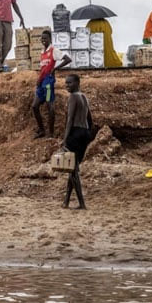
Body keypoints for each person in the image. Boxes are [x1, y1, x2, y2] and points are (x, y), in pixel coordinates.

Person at [32, 30, 72, 139]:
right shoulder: (42, 52)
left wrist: (55, 68)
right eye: (42, 38)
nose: (43, 40)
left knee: (50, 106)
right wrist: (39, 79)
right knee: (35, 106)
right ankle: (41, 130)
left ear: (50, 39)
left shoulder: (54, 50)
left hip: (48, 82)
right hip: (41, 81)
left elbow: (68, 59)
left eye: (45, 38)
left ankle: (51, 134)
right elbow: (43, 68)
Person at [61, 74, 92, 210]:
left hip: (75, 133)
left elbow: (70, 119)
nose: (67, 85)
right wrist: (89, 135)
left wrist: (65, 139)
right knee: (72, 169)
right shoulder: (84, 97)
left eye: (69, 83)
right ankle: (66, 202)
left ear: (77, 83)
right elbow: (90, 119)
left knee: (73, 170)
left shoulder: (73, 97)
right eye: (66, 83)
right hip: (84, 133)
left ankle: (82, 203)